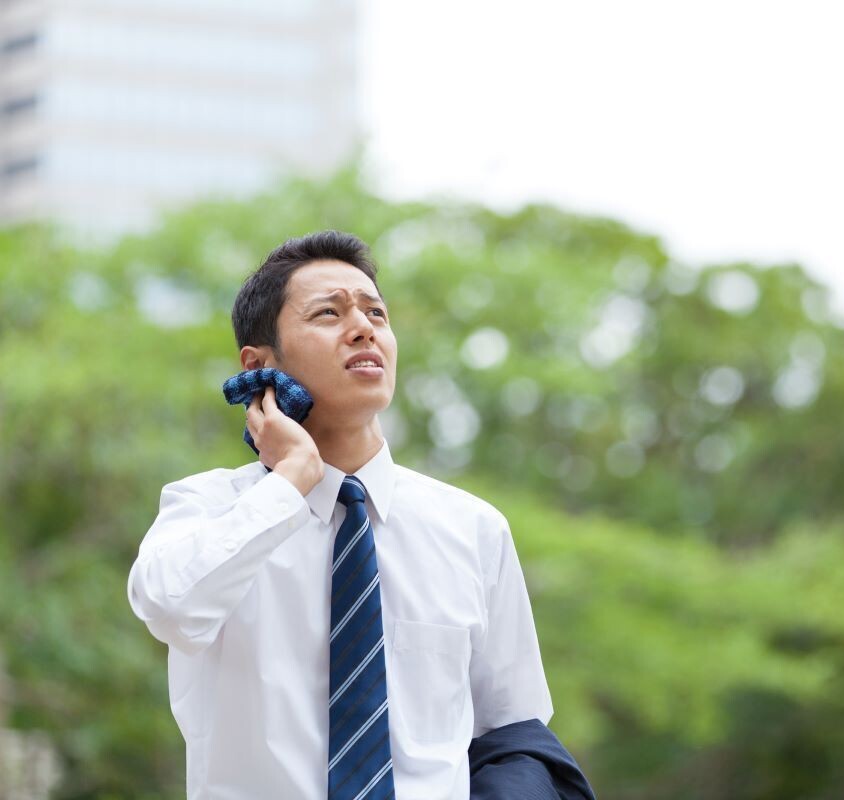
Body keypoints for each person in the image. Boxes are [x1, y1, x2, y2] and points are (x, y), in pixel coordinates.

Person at [127, 231, 591, 799]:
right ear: (258, 365)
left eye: (376, 312)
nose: (364, 327)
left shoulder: (473, 529)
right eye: (328, 312)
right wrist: (292, 481)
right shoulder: (207, 507)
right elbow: (171, 607)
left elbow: (512, 734)